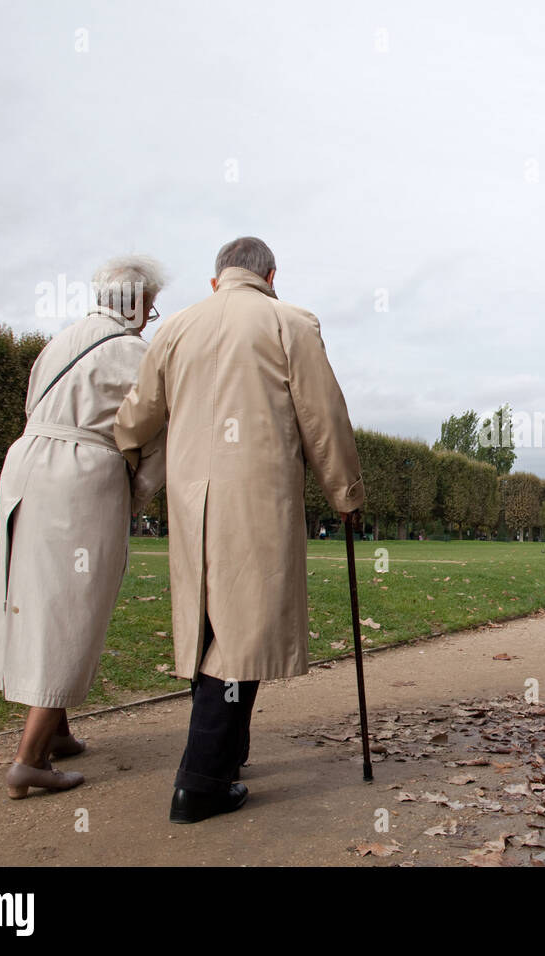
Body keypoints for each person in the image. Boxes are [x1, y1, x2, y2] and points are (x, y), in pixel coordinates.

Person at [114, 237, 363, 824]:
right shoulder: (289, 322)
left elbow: (139, 415)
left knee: (212, 623)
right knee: (241, 629)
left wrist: (125, 454)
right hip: (257, 495)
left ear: (215, 279)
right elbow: (322, 416)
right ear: (271, 275)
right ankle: (198, 782)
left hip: (190, 498)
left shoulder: (174, 328)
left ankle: (227, 757)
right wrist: (346, 493)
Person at [0, 256, 168, 799]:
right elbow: (154, 432)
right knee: (73, 606)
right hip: (82, 475)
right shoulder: (138, 352)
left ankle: (58, 731)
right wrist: (136, 494)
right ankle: (29, 760)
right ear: (137, 304)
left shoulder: (58, 342)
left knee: (31, 598)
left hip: (24, 466)